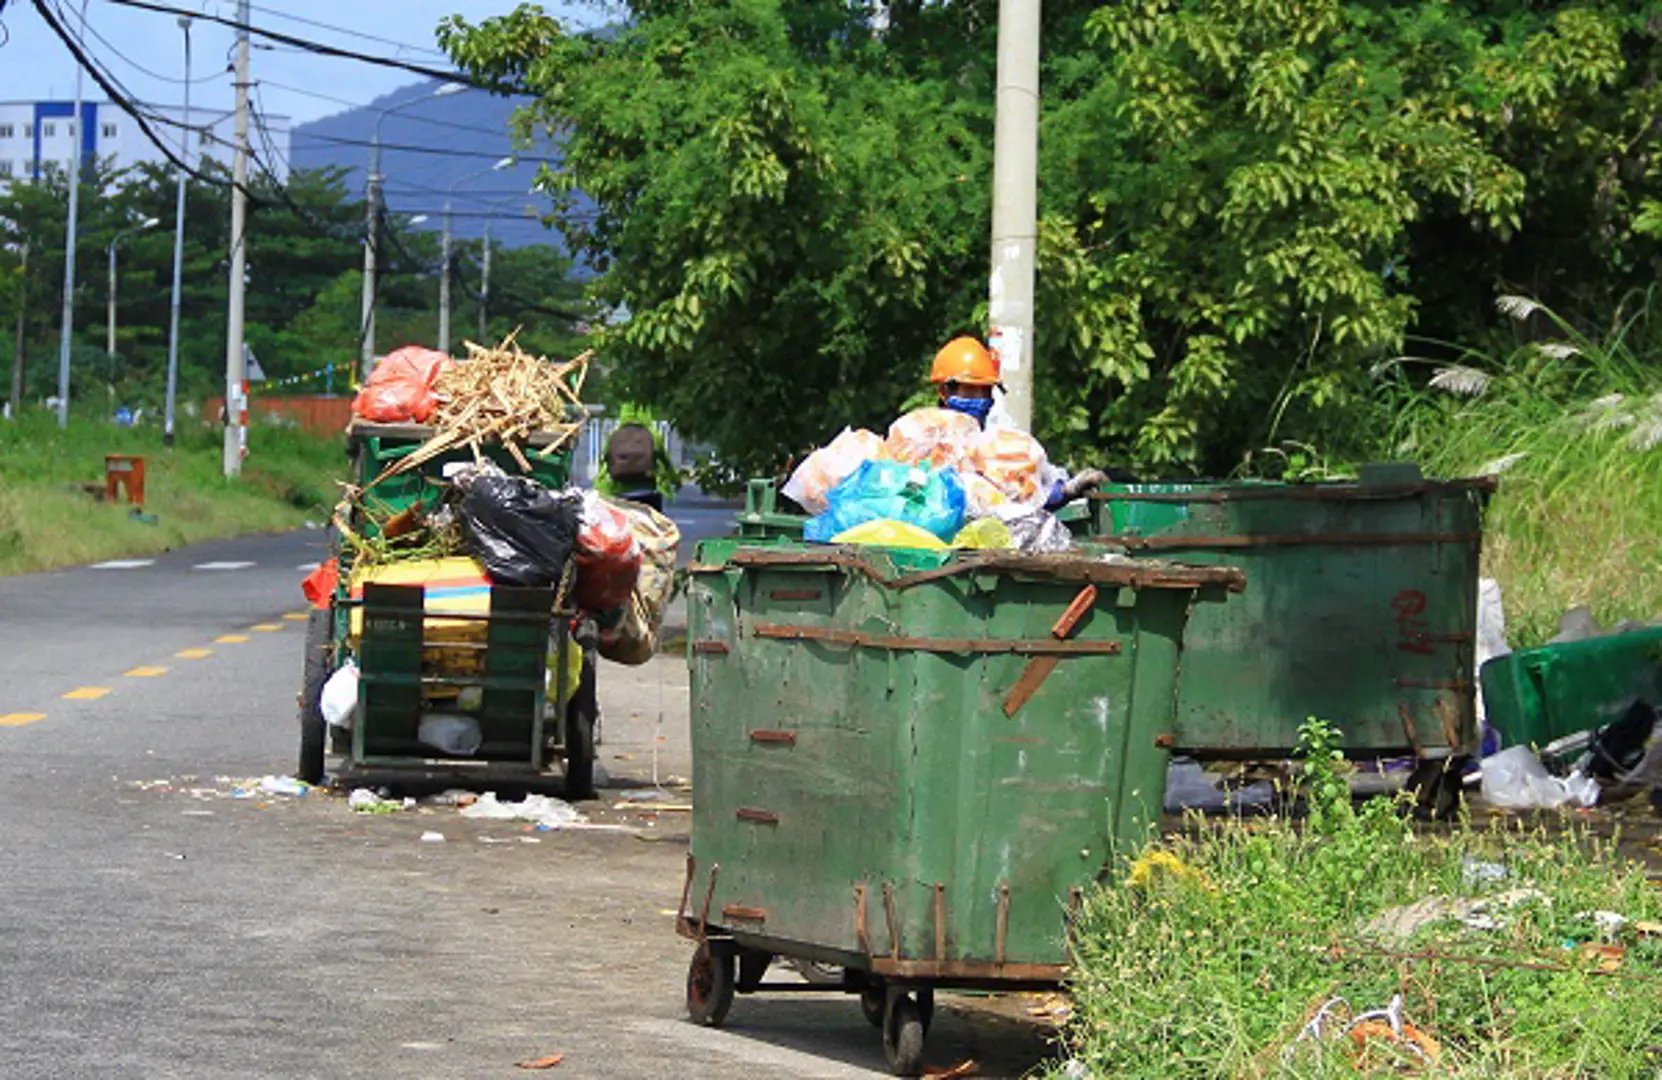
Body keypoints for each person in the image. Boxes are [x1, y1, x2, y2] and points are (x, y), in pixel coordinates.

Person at [929, 336, 1106, 506]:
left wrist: (1067, 489)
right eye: (970, 390)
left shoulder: (997, 447)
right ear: (944, 392)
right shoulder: (924, 441)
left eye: (985, 391)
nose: (980, 399)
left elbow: (1030, 496)